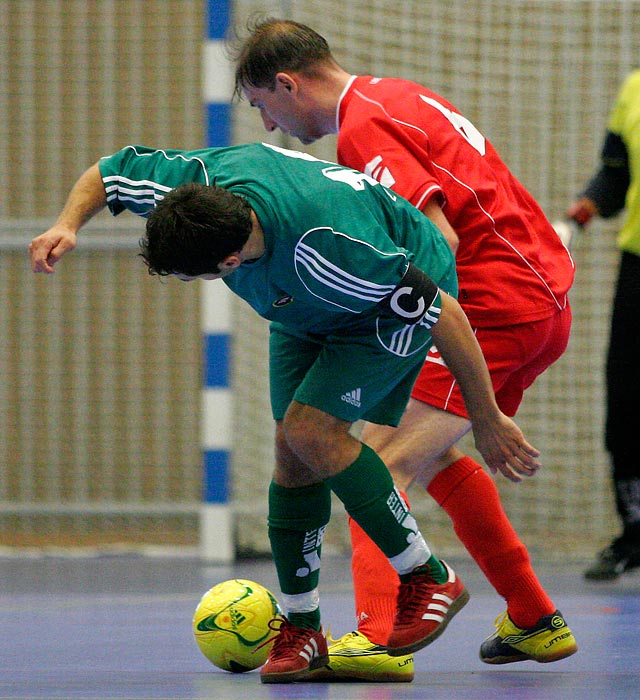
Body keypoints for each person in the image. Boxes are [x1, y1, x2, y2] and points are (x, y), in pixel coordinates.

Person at [29, 141, 542, 684]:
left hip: (381, 306)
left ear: (228, 264)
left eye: (191, 277)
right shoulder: (195, 182)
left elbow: (445, 314)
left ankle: (427, 577)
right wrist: (67, 224)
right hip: (299, 305)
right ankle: (303, 631)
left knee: (311, 430)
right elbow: (110, 172)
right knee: (290, 452)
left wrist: (485, 416)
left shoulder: (330, 250)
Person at [232, 18, 578, 681]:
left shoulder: (365, 128)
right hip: (534, 297)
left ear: (286, 83)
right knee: (433, 448)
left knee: (376, 463)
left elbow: (438, 243)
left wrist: (366, 320)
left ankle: (377, 637)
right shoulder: (394, 94)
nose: (271, 127)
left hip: (494, 303)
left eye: (263, 108)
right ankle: (535, 618)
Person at [567, 69, 640, 581]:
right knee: (628, 398)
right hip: (638, 264)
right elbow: (615, 175)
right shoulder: (634, 88)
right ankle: (634, 532)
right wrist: (577, 217)